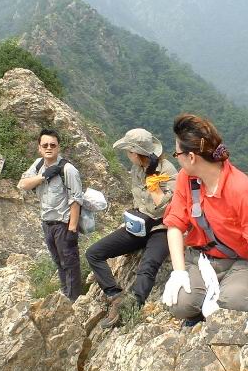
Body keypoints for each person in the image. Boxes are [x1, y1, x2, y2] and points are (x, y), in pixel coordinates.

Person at [162, 113, 248, 338]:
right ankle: (200, 308)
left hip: (239, 262)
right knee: (179, 304)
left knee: (234, 303)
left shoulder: (240, 190)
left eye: (177, 154)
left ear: (192, 157)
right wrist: (178, 272)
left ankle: (216, 303)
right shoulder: (187, 180)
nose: (177, 159)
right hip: (202, 259)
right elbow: (175, 224)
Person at [86, 128, 177, 328]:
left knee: (148, 266)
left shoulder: (167, 171)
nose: (127, 155)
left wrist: (152, 180)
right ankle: (115, 295)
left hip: (162, 227)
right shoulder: (136, 169)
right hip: (140, 224)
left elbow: (165, 206)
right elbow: (139, 202)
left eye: (129, 151)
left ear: (136, 153)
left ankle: (131, 306)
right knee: (94, 253)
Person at [17, 128, 84, 301]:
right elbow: (23, 184)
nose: (49, 148)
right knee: (59, 262)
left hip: (64, 224)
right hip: (47, 223)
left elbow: (76, 200)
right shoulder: (38, 165)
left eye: (52, 145)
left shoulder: (68, 169)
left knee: (70, 263)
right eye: (45, 145)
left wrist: (72, 229)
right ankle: (65, 296)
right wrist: (43, 177)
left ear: (58, 147)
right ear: (39, 148)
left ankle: (74, 300)